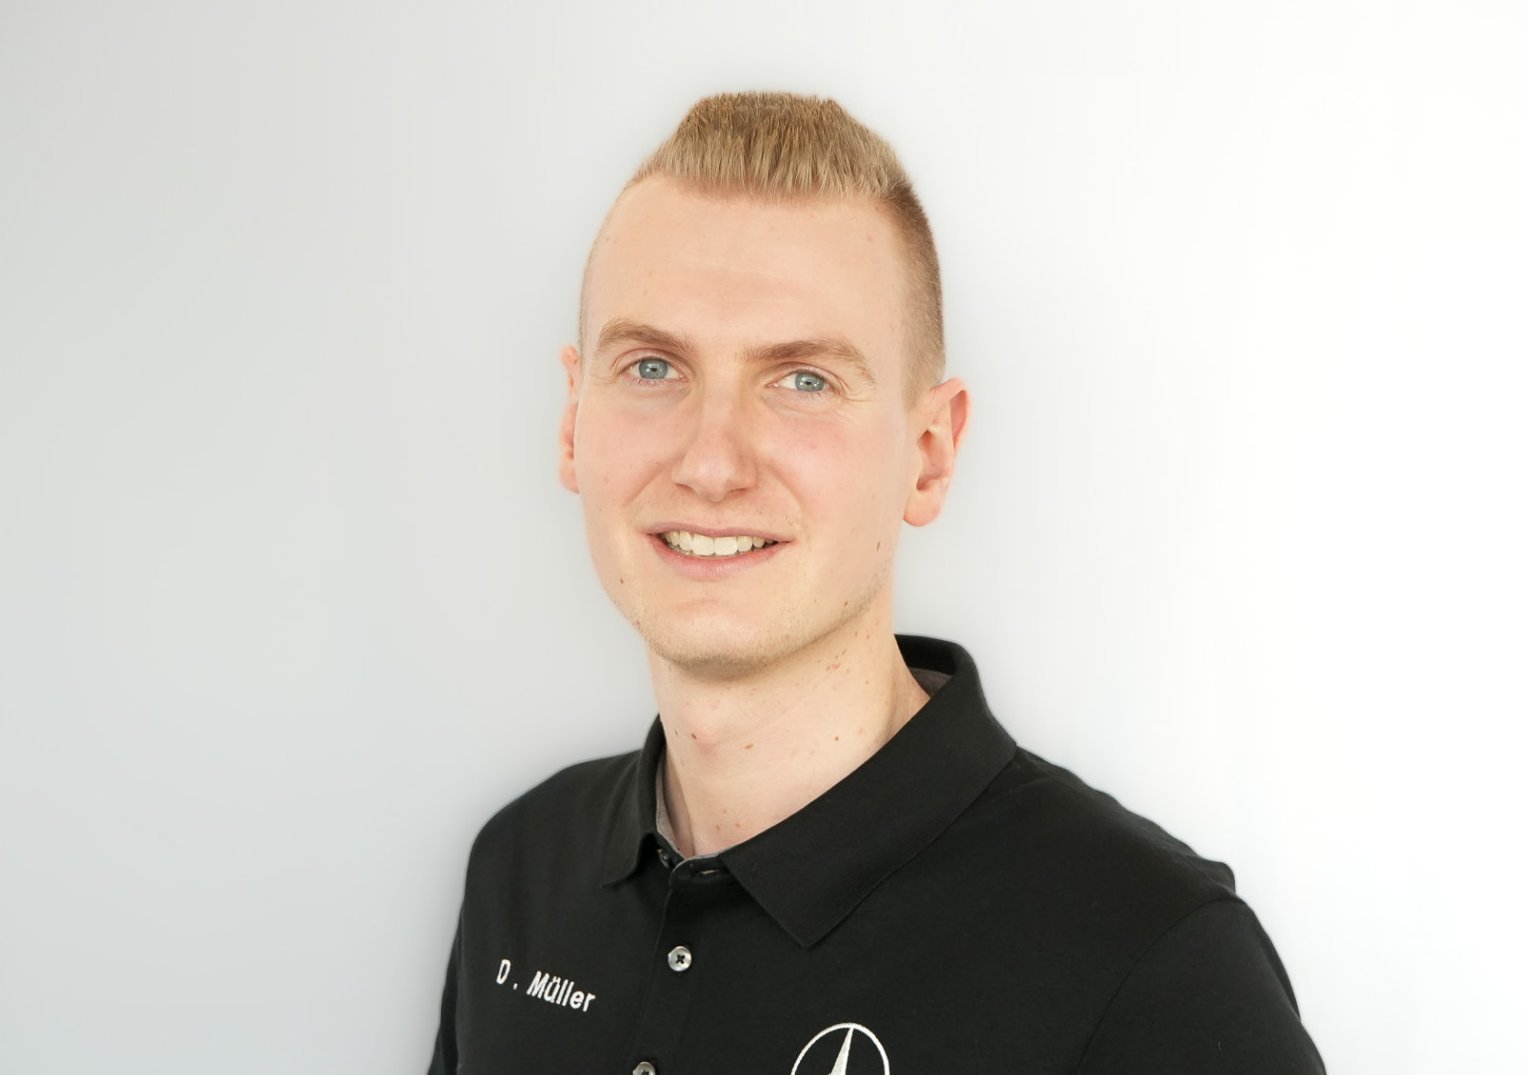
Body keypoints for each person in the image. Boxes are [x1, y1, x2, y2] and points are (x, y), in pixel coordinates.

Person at [427, 92, 1324, 1074]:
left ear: (929, 453)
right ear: (572, 422)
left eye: (802, 380)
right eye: (651, 367)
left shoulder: (1153, 961)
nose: (711, 463)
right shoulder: (521, 867)